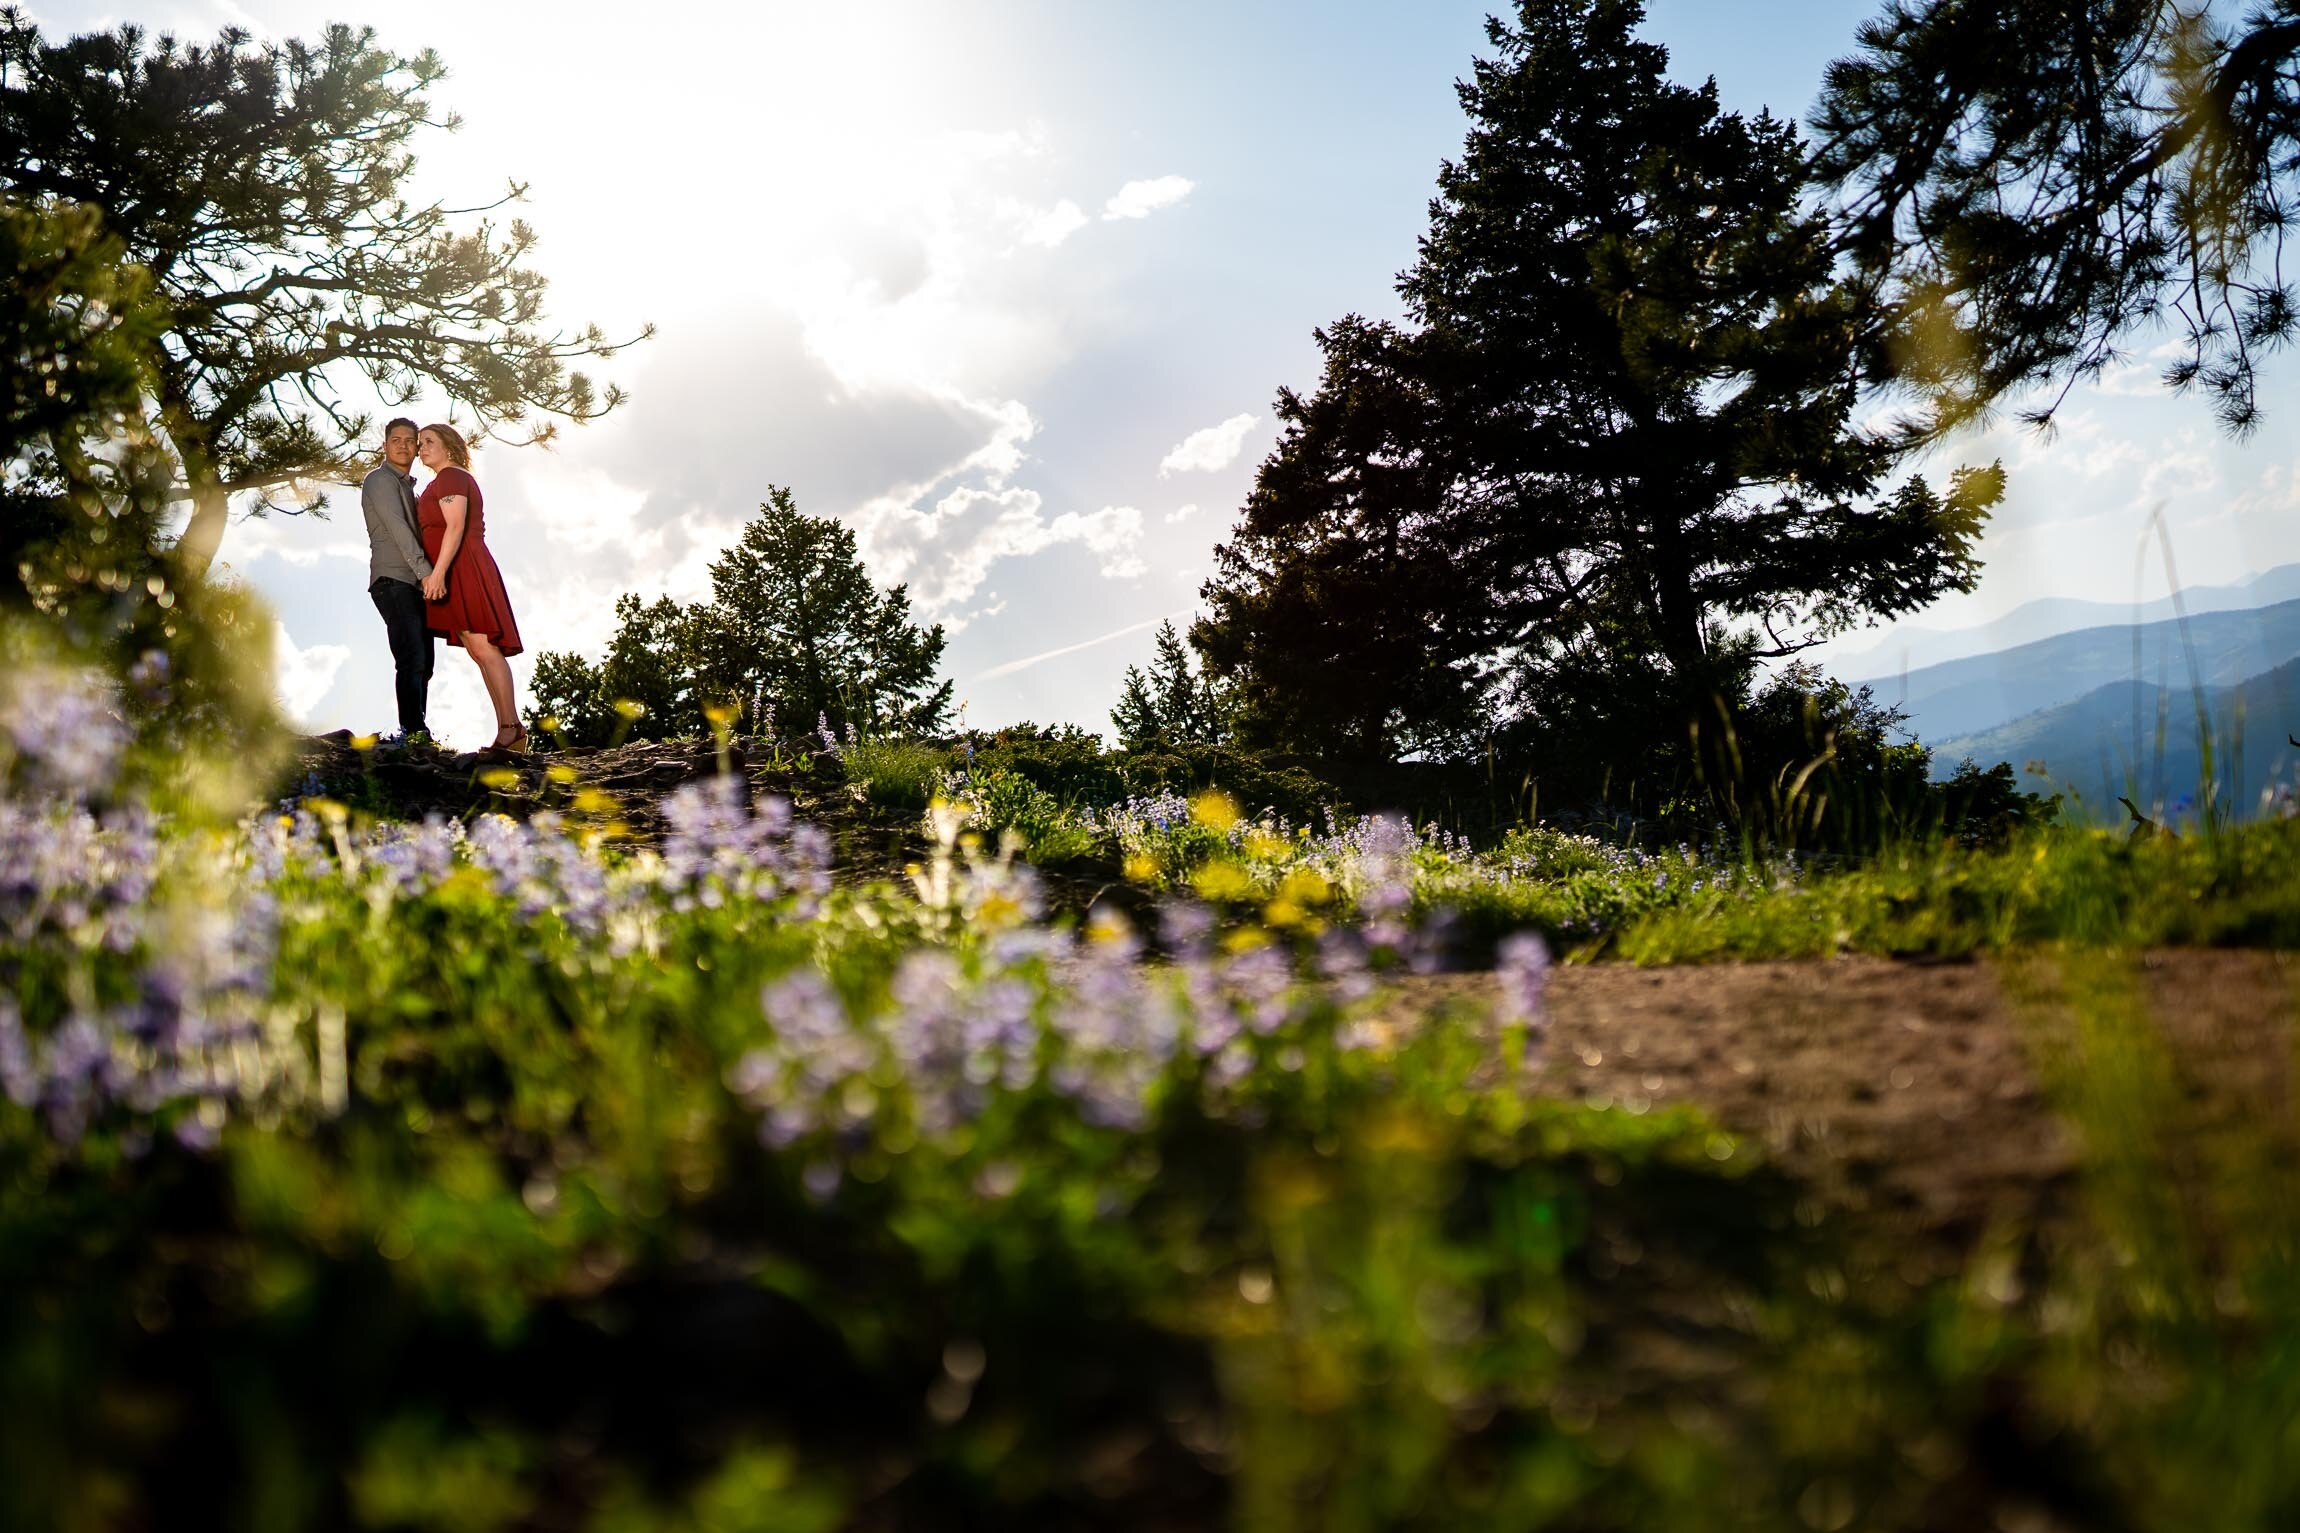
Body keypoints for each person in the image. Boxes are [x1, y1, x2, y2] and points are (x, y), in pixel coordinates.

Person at [413, 423, 528, 752]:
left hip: (463, 567)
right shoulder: (442, 480)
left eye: (429, 442)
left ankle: (512, 727)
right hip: (457, 567)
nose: (421, 448)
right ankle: (509, 729)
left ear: (448, 446)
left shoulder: (451, 477)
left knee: (485, 648)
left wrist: (437, 574)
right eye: (420, 443)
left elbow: (455, 526)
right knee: (479, 651)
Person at [359, 418, 435, 742]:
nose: (403, 445)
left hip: (414, 583)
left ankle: (417, 733)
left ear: (417, 447)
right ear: (385, 445)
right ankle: (413, 732)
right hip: (392, 581)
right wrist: (427, 573)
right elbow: (399, 531)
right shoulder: (378, 480)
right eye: (396, 439)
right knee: (411, 656)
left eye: (409, 440)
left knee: (425, 662)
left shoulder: (409, 488)